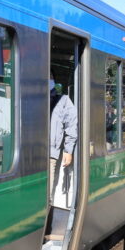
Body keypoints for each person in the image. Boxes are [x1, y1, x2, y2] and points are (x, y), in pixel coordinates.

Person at [47, 81, 78, 239]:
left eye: (50, 75)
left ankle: (43, 231)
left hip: (51, 153)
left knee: (47, 194)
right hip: (30, 155)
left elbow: (72, 125)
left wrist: (68, 150)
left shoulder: (63, 100)